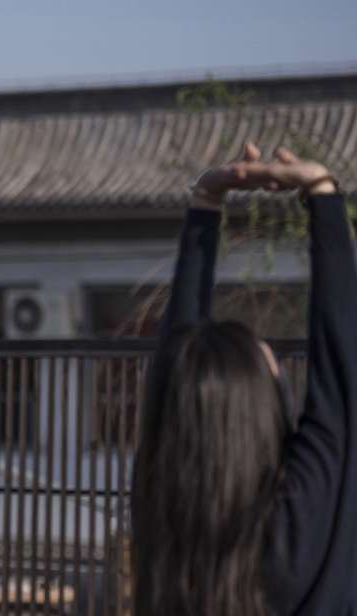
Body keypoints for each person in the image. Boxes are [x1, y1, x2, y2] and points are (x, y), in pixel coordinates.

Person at [132, 142, 354, 615]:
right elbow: (341, 369)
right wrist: (321, 191)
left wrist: (207, 204)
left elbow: (178, 376)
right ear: (257, 406)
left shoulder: (169, 523)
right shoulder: (294, 523)